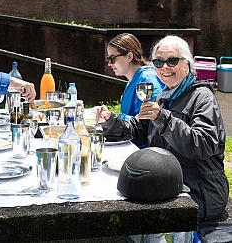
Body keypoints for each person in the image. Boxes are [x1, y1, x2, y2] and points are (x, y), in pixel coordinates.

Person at [96, 35, 229, 223]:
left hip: (199, 191)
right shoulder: (164, 97)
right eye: (158, 62)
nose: (164, 68)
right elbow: (140, 130)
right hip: (167, 182)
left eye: (172, 61)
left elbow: (204, 144)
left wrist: (164, 120)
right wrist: (111, 121)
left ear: (188, 63)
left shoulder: (202, 98)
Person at [107, 33, 164, 120]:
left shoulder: (146, 79)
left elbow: (147, 119)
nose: (109, 63)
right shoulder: (134, 79)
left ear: (129, 56)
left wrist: (112, 118)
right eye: (108, 59)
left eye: (112, 58)